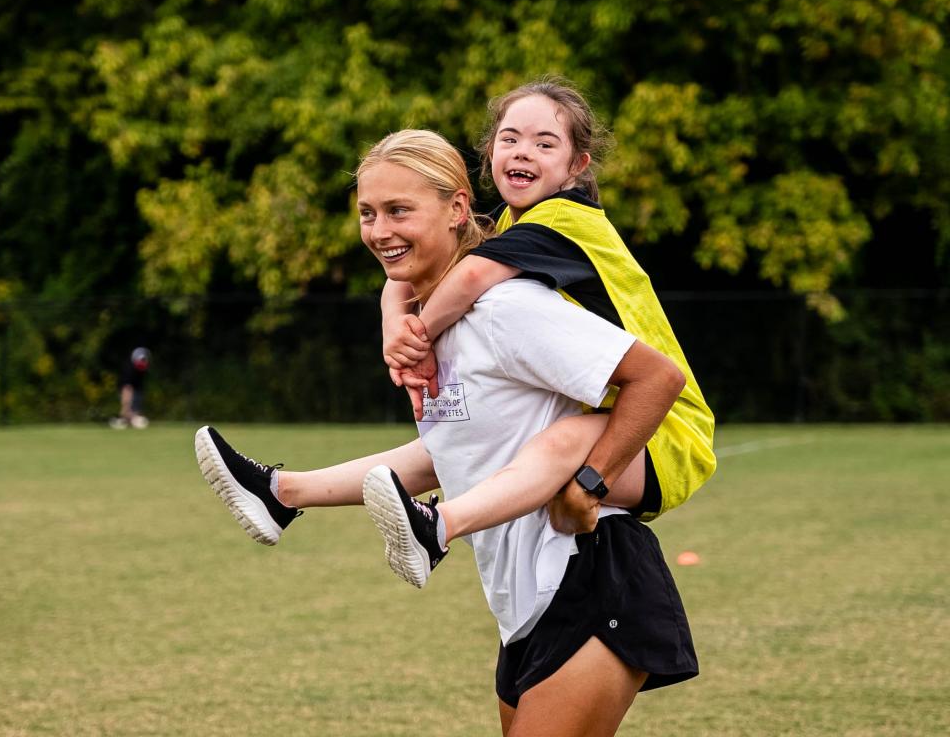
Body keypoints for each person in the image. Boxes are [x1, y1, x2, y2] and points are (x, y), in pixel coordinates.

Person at [196, 129, 698, 736]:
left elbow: (654, 377)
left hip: (591, 575)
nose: (380, 231)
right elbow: (449, 456)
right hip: (520, 603)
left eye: (399, 210)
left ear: (459, 209)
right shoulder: (432, 329)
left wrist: (590, 483)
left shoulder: (507, 308)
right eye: (367, 213)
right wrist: (287, 490)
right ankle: (282, 494)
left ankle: (424, 525)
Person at [379, 77, 716, 559]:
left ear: (576, 165)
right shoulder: (517, 224)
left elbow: (469, 277)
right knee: (497, 441)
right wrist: (397, 326)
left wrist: (420, 339)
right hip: (615, 417)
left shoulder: (564, 219)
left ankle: (437, 528)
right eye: (510, 138)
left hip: (661, 428)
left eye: (544, 143)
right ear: (490, 149)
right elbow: (411, 274)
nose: (522, 152)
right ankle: (290, 493)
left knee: (554, 445)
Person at [110, 347, 151, 429]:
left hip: (137, 388)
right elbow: (126, 389)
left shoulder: (143, 369)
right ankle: (123, 419)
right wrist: (125, 407)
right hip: (126, 388)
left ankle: (128, 420)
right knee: (127, 410)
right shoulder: (129, 369)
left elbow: (140, 389)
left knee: (135, 412)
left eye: (144, 359)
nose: (142, 361)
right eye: (140, 359)